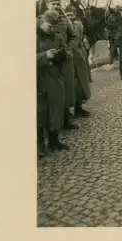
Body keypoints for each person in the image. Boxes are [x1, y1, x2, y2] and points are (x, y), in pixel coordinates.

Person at [37, 9, 69, 156]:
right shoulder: (34, 36)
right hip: (40, 79)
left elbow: (66, 50)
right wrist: (45, 55)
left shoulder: (57, 35)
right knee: (41, 112)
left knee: (56, 109)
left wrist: (62, 55)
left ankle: (54, 141)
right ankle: (39, 146)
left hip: (56, 77)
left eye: (54, 26)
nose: (52, 29)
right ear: (42, 21)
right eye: (49, 26)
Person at [44, 0, 78, 130]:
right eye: (54, 4)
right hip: (50, 62)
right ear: (47, 5)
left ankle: (66, 119)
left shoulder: (65, 20)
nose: (57, 6)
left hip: (65, 60)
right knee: (53, 93)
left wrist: (68, 49)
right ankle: (51, 126)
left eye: (58, 4)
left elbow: (74, 37)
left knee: (67, 89)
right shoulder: (40, 21)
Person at [65, 5, 92, 117]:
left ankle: (79, 106)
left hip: (80, 54)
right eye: (68, 15)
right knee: (73, 82)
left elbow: (81, 37)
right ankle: (70, 110)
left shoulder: (78, 24)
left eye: (72, 14)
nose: (70, 17)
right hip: (70, 55)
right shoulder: (63, 25)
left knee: (81, 81)